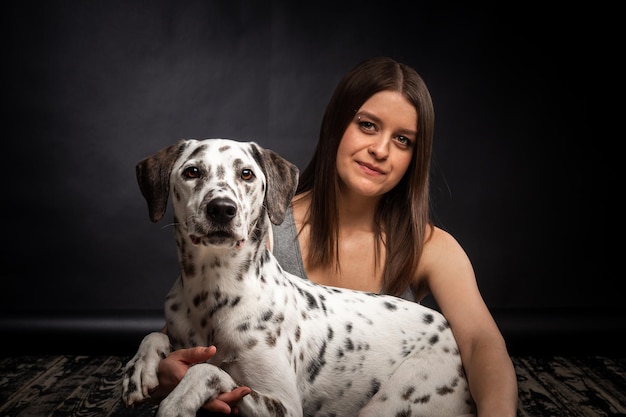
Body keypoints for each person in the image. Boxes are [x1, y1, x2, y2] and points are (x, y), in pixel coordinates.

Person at [150, 56, 519, 417]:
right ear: (336, 125)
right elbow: (200, 325)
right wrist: (168, 367)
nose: (381, 149)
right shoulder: (258, 225)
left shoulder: (430, 246)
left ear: (415, 156)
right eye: (368, 125)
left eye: (403, 139)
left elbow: (480, 343)